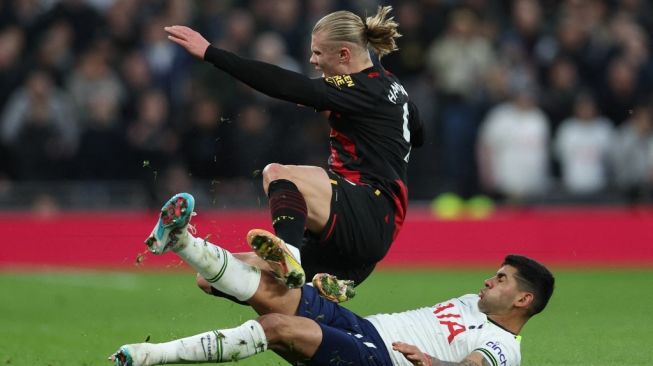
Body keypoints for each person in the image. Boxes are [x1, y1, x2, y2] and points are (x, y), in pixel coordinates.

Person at [163, 6, 424, 299]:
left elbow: (286, 85)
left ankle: (288, 254)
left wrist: (212, 53)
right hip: (357, 239)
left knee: (277, 174)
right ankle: (185, 242)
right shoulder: (391, 87)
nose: (312, 60)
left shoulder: (362, 87)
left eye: (318, 53)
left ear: (344, 56)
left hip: (368, 210)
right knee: (214, 278)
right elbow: (419, 132)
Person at [111, 200, 555, 366]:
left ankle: (148, 357)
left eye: (500, 280)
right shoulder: (474, 304)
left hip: (380, 359)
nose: (487, 281)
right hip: (364, 328)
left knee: (278, 327)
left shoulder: (502, 347)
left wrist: (430, 363)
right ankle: (182, 240)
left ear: (523, 299)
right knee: (274, 291)